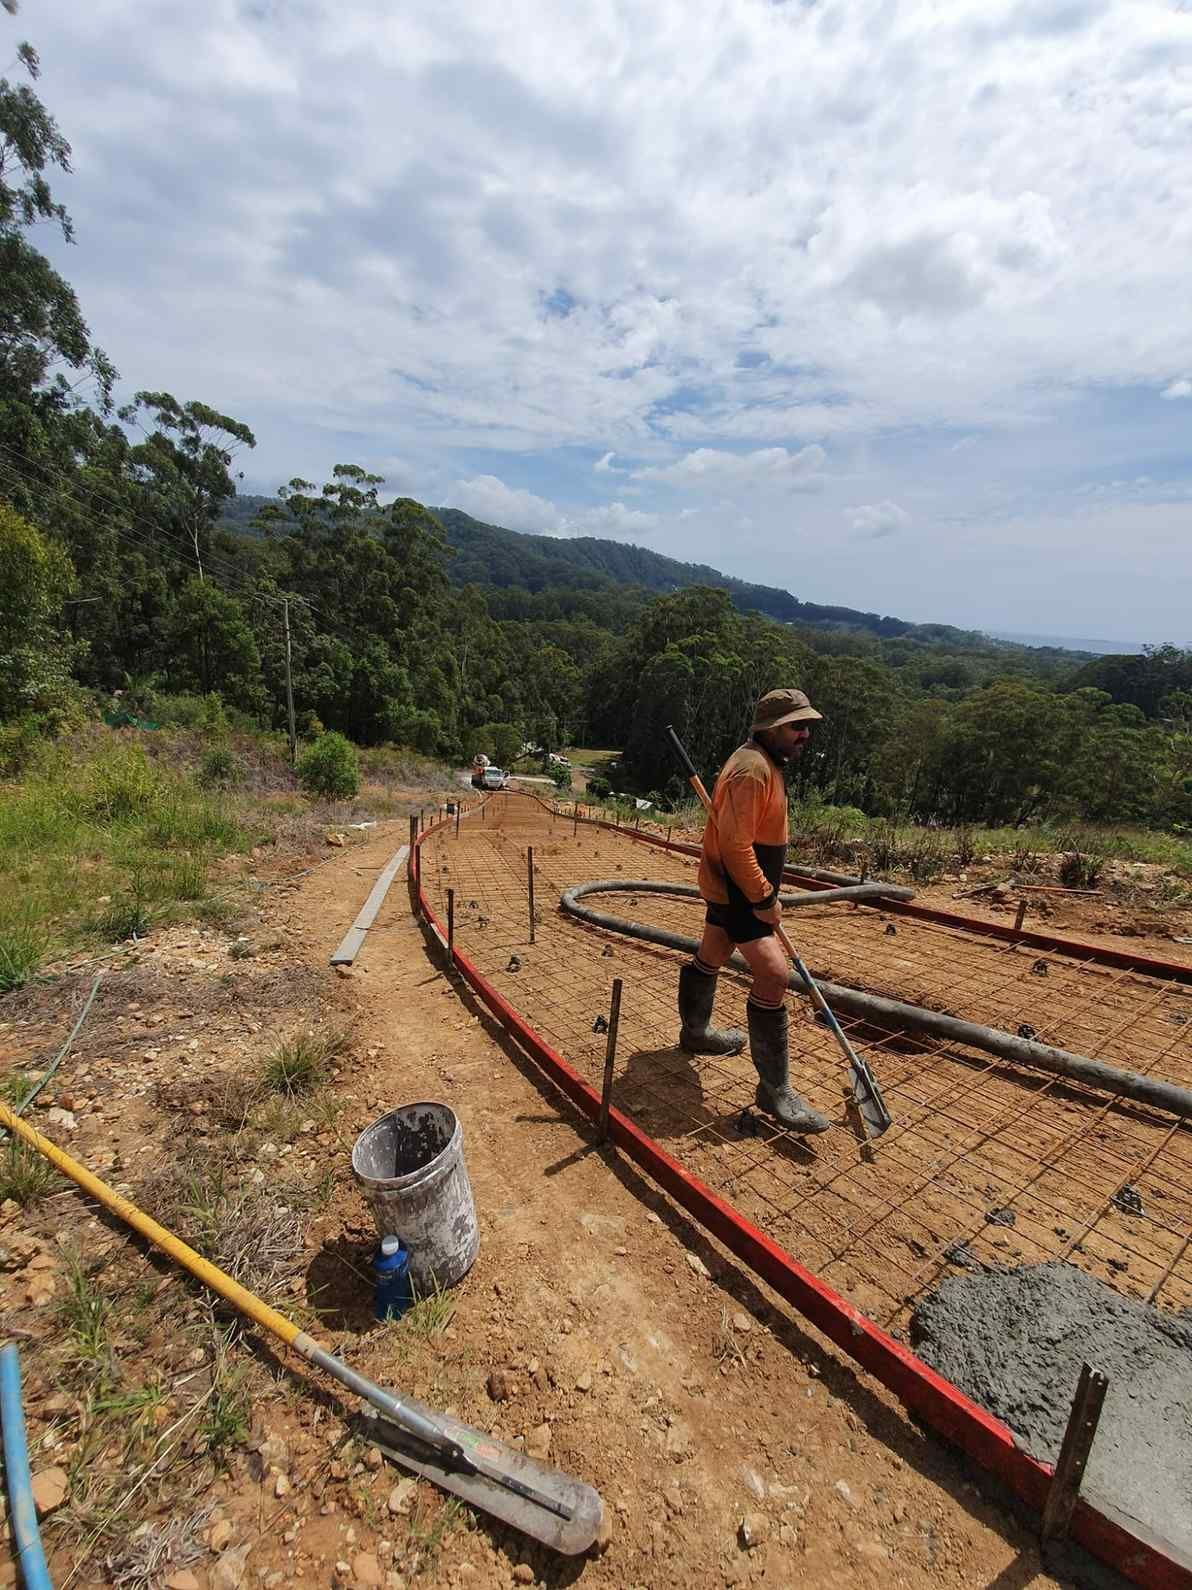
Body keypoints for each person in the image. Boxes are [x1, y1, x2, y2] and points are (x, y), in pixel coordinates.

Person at [676, 688, 831, 1135]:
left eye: (807, 726)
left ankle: (695, 1033)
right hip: (742, 890)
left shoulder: (764, 763)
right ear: (769, 728)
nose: (805, 734)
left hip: (732, 887)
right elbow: (735, 844)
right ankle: (774, 1090)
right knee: (774, 975)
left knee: (713, 952)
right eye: (796, 726)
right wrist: (764, 896)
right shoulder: (752, 771)